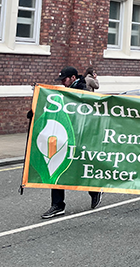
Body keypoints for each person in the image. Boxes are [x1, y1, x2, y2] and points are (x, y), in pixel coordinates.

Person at [41, 67, 102, 219]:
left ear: (73, 77)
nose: (62, 82)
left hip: (80, 136)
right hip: (64, 135)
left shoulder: (82, 90)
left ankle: (95, 190)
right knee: (55, 167)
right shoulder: (63, 93)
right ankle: (57, 205)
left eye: (64, 79)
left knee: (80, 166)